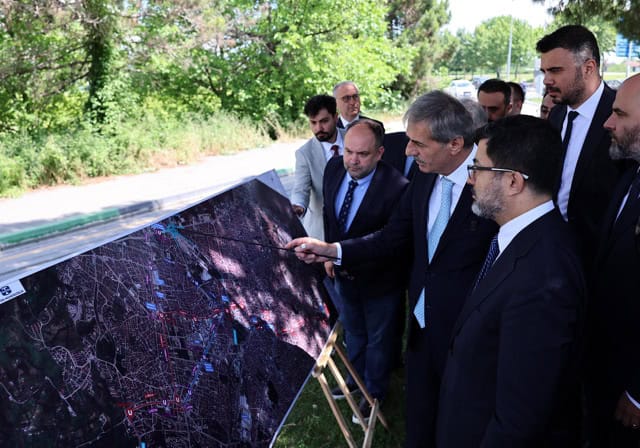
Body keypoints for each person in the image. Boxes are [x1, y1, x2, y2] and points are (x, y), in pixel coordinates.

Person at [286, 91, 497, 448]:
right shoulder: (425, 179)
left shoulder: (493, 186)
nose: (409, 151)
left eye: (418, 143)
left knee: (461, 423)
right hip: (420, 328)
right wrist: (331, 250)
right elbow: (391, 237)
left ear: (455, 144)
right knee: (421, 417)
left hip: (467, 336)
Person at [437, 115, 585, 447]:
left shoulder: (544, 276)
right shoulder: (522, 239)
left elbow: (520, 416)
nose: (470, 179)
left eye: (477, 168)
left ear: (513, 181)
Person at [323, 119, 409, 423]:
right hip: (343, 277)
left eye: (362, 154)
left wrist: (337, 251)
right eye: (349, 151)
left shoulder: (398, 187)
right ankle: (354, 381)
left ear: (380, 153)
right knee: (353, 332)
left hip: (380, 282)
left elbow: (388, 242)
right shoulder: (333, 168)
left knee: (378, 341)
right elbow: (330, 214)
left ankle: (373, 395)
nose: (353, 160)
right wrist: (329, 251)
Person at [537, 24, 625, 268]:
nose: (546, 80)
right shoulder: (556, 115)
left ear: (588, 68)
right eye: (544, 71)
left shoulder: (621, 116)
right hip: (550, 250)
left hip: (599, 261)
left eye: (555, 70)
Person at [585, 73, 640, 447]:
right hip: (608, 365)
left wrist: (638, 390)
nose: (607, 122)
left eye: (619, 114)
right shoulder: (630, 175)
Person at [290, 94, 345, 239]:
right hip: (322, 230)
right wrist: (297, 206)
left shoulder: (353, 137)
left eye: (324, 121)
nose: (318, 128)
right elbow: (300, 189)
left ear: (336, 117)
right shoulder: (304, 153)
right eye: (313, 122)